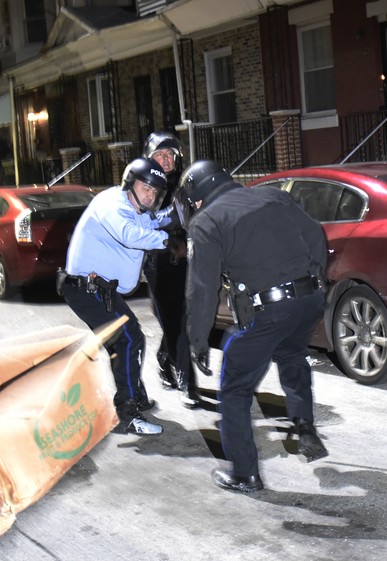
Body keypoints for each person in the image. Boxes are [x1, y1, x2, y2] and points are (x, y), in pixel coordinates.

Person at [178, 159, 329, 494]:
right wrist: (318, 280)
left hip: (270, 310)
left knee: (235, 389)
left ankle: (245, 474)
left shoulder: (206, 221)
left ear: (199, 195)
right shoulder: (273, 197)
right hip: (308, 300)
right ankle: (305, 427)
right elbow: (316, 234)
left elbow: (202, 288)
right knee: (291, 355)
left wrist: (198, 339)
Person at [61, 158, 172, 435]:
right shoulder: (112, 203)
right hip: (86, 288)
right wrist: (169, 241)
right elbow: (129, 235)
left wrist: (181, 218)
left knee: (124, 341)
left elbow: (157, 223)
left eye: (154, 191)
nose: (150, 194)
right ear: (129, 182)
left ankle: (134, 395)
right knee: (128, 337)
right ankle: (128, 414)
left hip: (101, 290)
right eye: (145, 187)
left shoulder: (139, 211)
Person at [140, 131, 200, 409]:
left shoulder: (186, 183)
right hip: (160, 262)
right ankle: (188, 381)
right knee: (175, 323)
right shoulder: (142, 183)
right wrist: (171, 215)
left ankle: (165, 360)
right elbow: (142, 220)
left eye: (170, 155)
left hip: (188, 259)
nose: (166, 159)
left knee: (185, 320)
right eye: (160, 154)